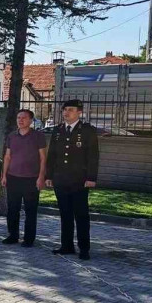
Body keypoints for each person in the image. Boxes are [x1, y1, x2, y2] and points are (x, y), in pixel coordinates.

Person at [46, 99, 99, 260]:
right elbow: (52, 155)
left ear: (79, 112)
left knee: (81, 215)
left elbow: (93, 156)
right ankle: (67, 245)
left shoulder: (87, 131)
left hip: (79, 180)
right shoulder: (58, 130)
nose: (66, 112)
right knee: (65, 214)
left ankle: (84, 248)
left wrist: (91, 177)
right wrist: (48, 176)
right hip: (61, 179)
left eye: (70, 109)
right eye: (64, 110)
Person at [1, 109, 47, 247]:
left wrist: (41, 177)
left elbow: (43, 158)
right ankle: (13, 235)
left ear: (31, 120)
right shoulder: (12, 136)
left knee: (30, 210)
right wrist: (4, 175)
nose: (20, 120)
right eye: (18, 117)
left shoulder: (38, 136)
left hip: (31, 179)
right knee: (12, 209)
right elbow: (7, 156)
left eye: (24, 118)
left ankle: (29, 239)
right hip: (13, 178)